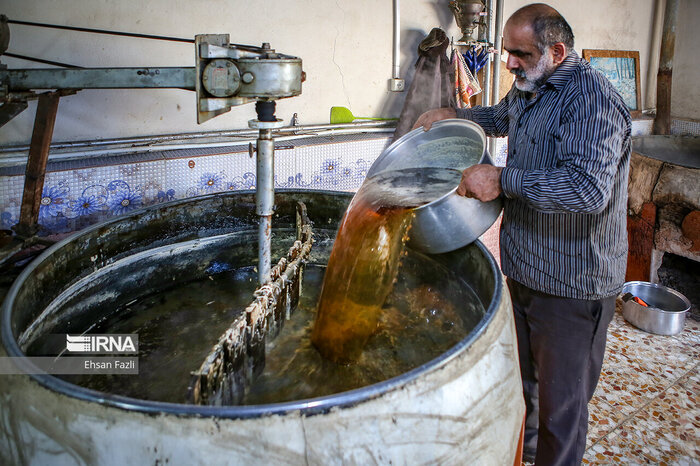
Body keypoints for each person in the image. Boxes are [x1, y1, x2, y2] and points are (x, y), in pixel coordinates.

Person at [413, 3, 631, 465]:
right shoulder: (533, 85)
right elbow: (501, 116)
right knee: (527, 386)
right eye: (506, 51)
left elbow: (588, 188)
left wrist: (502, 180)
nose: (508, 62)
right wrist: (451, 114)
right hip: (529, 268)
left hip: (573, 283)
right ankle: (526, 456)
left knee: (561, 410)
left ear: (556, 50)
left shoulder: (592, 100)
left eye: (519, 54)